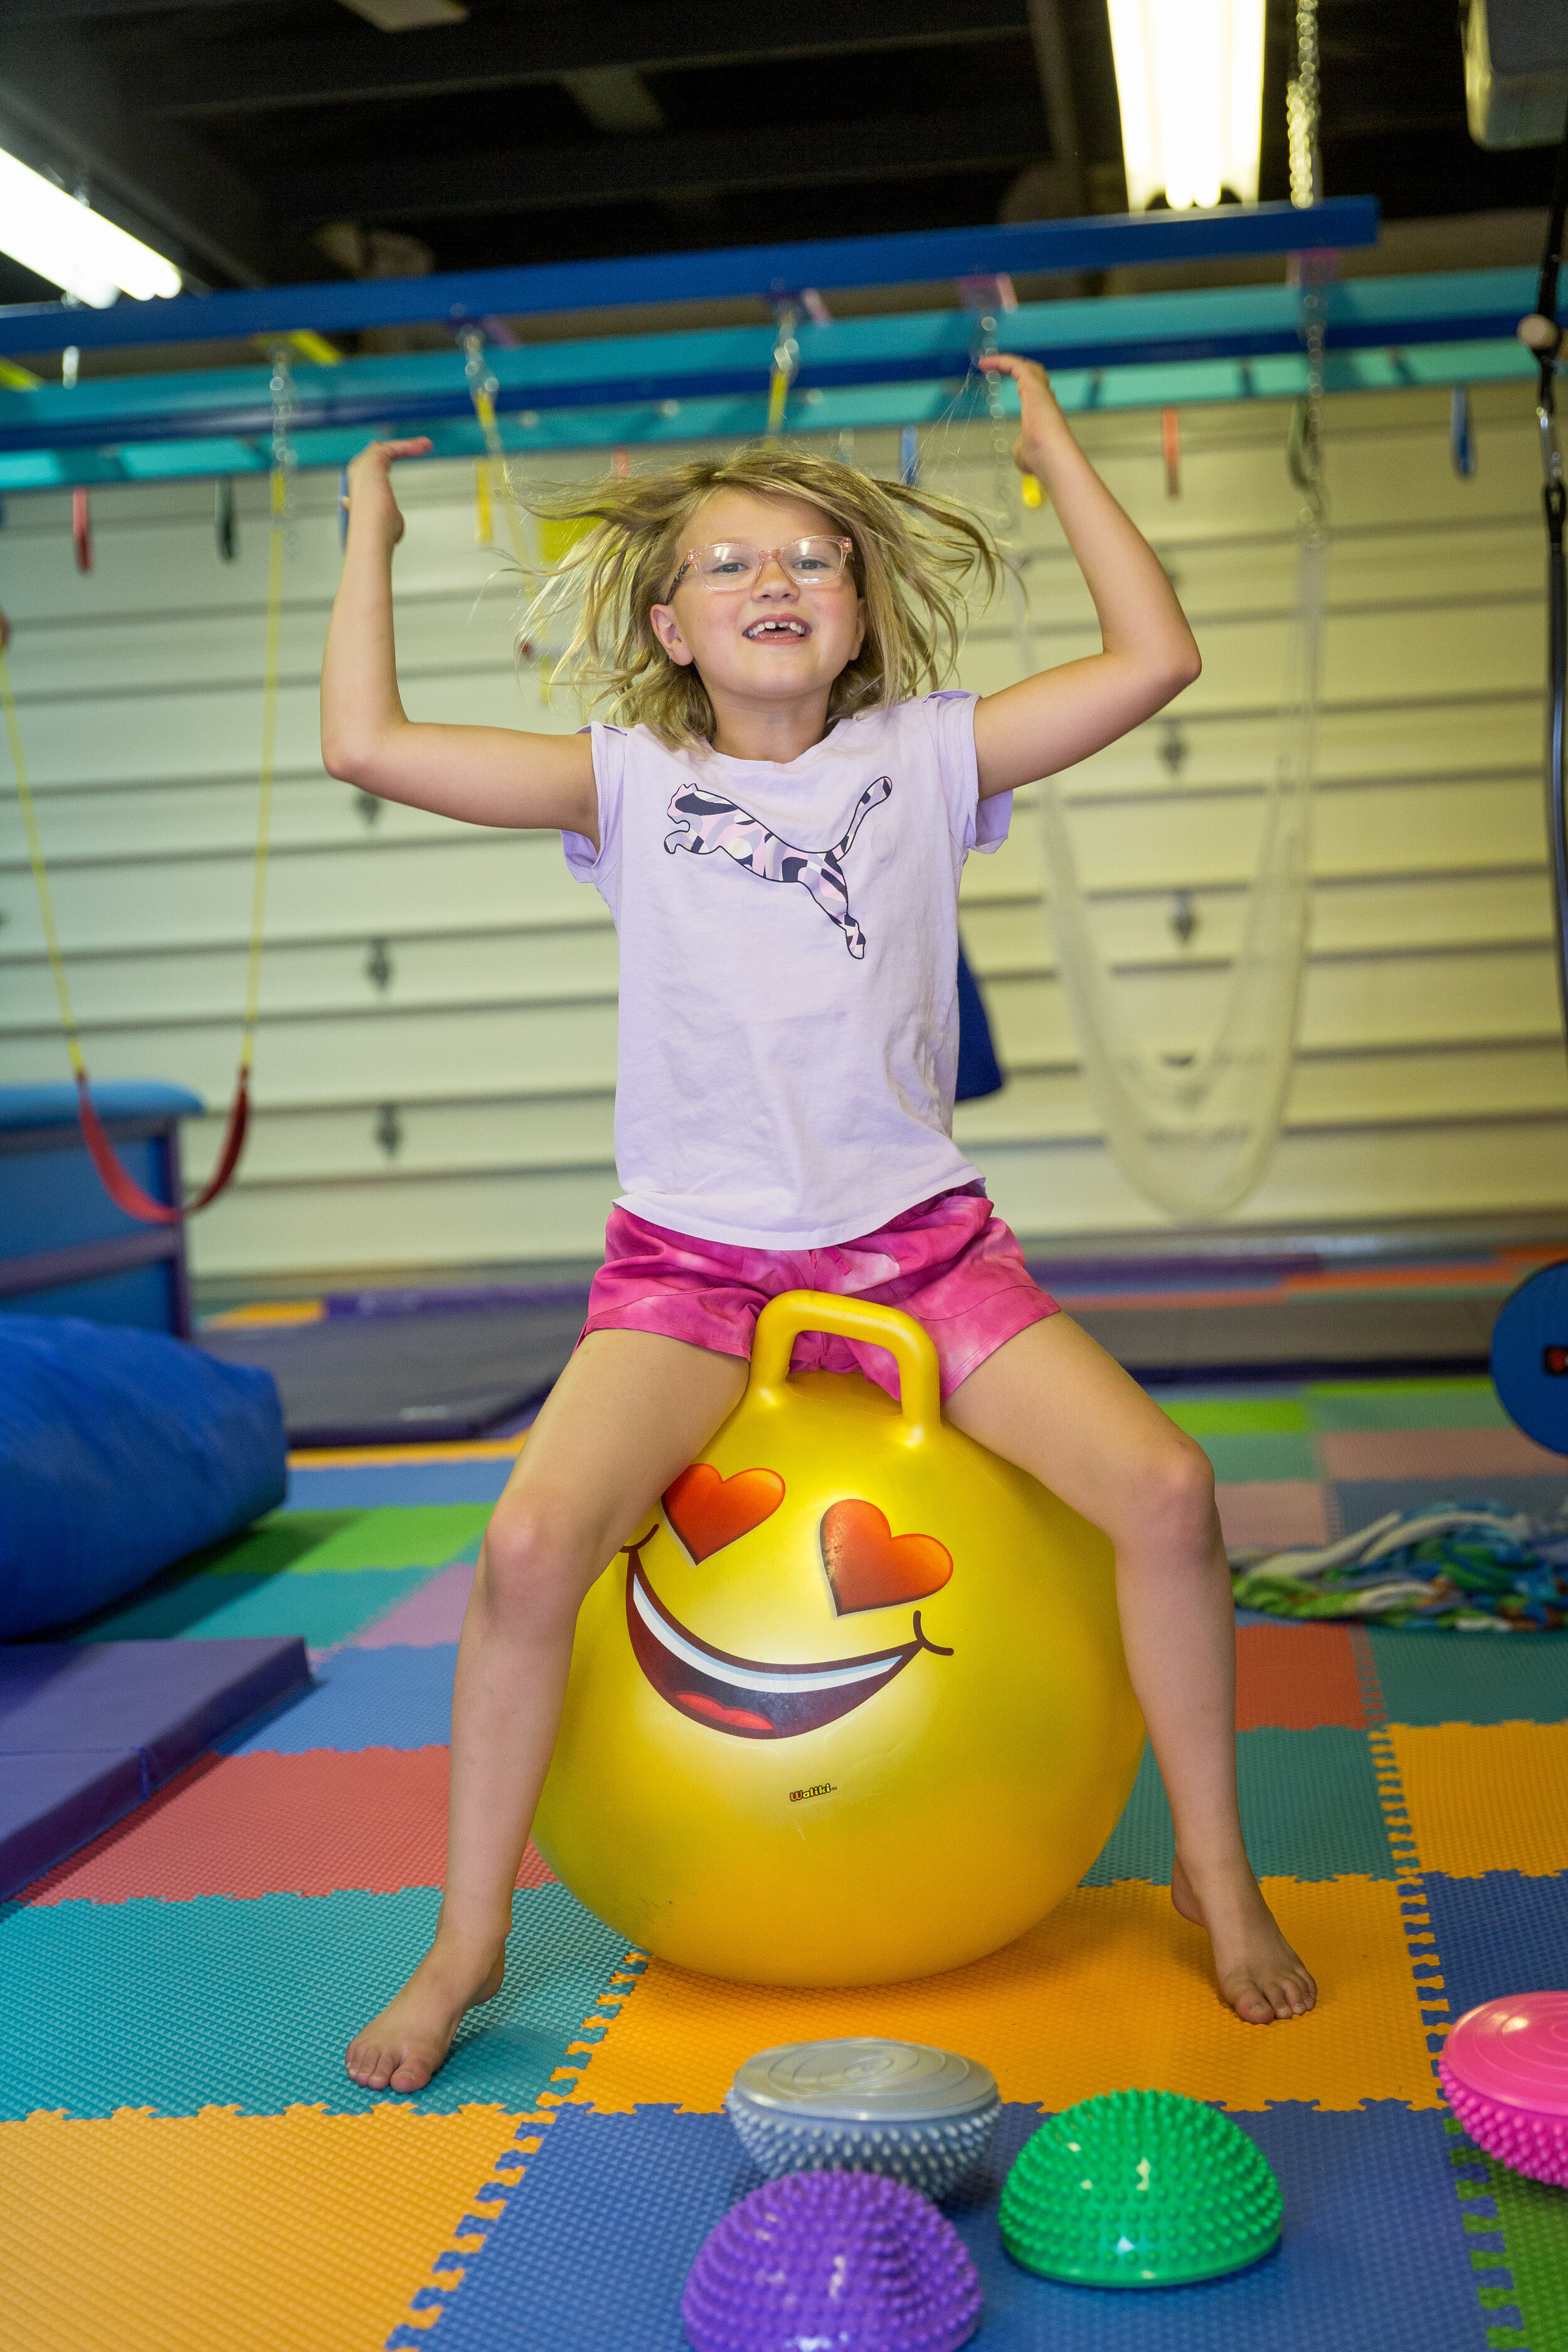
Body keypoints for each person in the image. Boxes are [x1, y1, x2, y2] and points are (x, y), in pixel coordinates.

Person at [322, 354, 1316, 2094]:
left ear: (860, 613)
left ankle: (1211, 1874)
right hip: (688, 1273)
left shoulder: (926, 760)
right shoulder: (626, 781)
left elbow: (1156, 659)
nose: (775, 581)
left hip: (921, 1248)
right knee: (528, 1553)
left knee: (1165, 1492)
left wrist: (1056, 453)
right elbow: (368, 747)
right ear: (671, 624)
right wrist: (365, 530)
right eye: (730, 565)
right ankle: (467, 1939)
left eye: (812, 558)